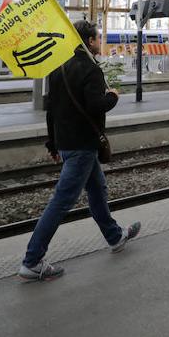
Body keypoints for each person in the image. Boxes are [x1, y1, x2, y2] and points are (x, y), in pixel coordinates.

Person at [19, 20, 140, 282]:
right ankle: (32, 260)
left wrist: (53, 143)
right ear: (88, 41)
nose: (100, 41)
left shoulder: (57, 66)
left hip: (66, 143)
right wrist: (113, 96)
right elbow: (97, 106)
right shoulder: (90, 69)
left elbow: (51, 110)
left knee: (97, 190)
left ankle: (115, 237)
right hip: (83, 146)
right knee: (61, 201)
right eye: (97, 37)